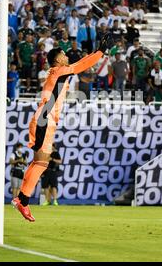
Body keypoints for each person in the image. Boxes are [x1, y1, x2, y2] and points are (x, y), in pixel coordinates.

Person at [11, 33, 115, 222]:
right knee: (41, 163)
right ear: (58, 59)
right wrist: (100, 51)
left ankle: (22, 199)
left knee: (39, 163)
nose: (67, 57)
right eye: (65, 55)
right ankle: (22, 200)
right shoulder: (59, 71)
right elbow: (81, 66)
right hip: (45, 119)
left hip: (44, 120)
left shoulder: (57, 74)